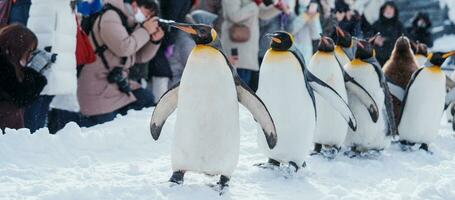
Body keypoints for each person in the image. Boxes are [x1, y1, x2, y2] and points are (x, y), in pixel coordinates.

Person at [77, 0, 163, 127]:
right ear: (134, 4)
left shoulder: (125, 21)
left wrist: (154, 41)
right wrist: (145, 30)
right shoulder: (110, 16)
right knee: (107, 132)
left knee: (146, 98)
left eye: (152, 16)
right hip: (97, 88)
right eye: (148, 12)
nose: (148, 17)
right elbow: (124, 48)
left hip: (113, 86)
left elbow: (138, 57)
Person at [25, 0, 79, 133]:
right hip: (48, 41)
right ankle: (30, 140)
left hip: (57, 45)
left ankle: (36, 139)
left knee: (45, 97)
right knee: (38, 95)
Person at [222, 0, 283, 90]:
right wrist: (255, 4)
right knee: (237, 91)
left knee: (248, 91)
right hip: (236, 48)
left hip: (250, 51)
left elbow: (262, 14)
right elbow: (234, 16)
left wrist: (277, 7)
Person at [0, 24, 47, 131]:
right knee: (11, 111)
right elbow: (21, 97)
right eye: (29, 51)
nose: (30, 56)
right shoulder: (4, 65)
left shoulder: (6, 59)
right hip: (4, 134)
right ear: (18, 47)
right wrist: (34, 71)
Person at [369, 1, 405, 66]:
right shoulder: (376, 25)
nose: (388, 11)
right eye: (386, 9)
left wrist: (386, 40)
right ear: (382, 10)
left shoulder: (399, 25)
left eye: (391, 9)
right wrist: (375, 40)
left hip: (395, 59)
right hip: (377, 60)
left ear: (395, 11)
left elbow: (405, 39)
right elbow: (367, 38)